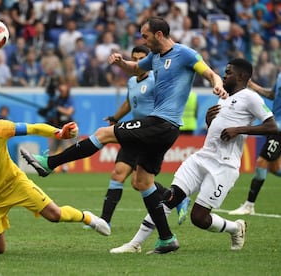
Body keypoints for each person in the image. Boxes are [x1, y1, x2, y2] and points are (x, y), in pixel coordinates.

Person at [21, 17, 228, 254]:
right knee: (142, 182)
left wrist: (218, 85)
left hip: (161, 123)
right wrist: (120, 62)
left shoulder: (185, 54)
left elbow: (210, 73)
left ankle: (50, 163)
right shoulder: (156, 57)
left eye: (146, 36)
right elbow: (135, 68)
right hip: (163, 128)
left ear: (159, 35)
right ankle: (166, 238)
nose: (143, 40)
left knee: (103, 134)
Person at [110, 58, 278, 254]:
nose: (224, 75)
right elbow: (217, 130)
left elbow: (272, 126)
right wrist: (209, 122)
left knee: (199, 218)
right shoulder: (223, 97)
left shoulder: (251, 97)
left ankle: (235, 228)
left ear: (242, 76)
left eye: (229, 72)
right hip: (201, 158)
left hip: (224, 166)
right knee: (169, 198)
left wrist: (238, 130)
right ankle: (135, 244)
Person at [0, 105, 110, 254]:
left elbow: (32, 128)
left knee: (54, 215)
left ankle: (88, 218)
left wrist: (59, 133)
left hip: (15, 183)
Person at [84, 45, 190, 232]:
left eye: (142, 58)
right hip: (132, 132)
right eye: (135, 58)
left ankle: (176, 197)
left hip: (148, 134)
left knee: (137, 182)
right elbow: (128, 102)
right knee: (118, 174)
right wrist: (115, 118)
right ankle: (105, 221)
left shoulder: (155, 80)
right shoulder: (132, 81)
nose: (139, 62)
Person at [228, 71, 281, 215]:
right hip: (275, 126)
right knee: (274, 168)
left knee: (261, 162)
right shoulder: (280, 75)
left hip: (278, 130)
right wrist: (253, 86)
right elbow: (272, 95)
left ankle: (249, 205)